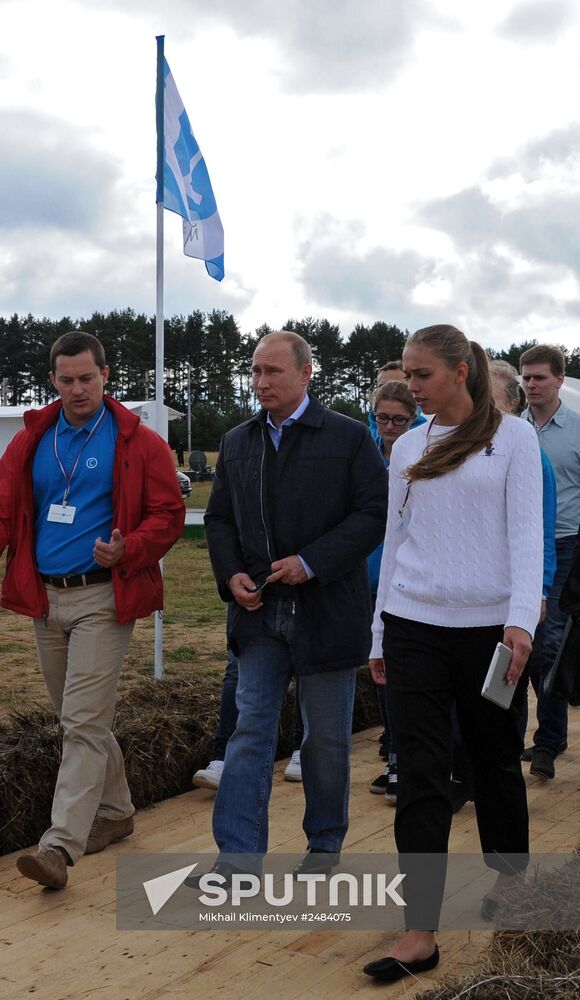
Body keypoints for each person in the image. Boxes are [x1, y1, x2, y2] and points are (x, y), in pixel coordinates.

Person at [364, 324, 543, 984]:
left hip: (493, 635)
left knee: (496, 757)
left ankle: (510, 879)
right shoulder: (408, 444)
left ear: (461, 370)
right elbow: (394, 538)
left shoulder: (514, 440)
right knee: (421, 770)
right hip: (414, 626)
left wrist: (521, 622)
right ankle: (420, 930)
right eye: (406, 375)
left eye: (422, 376)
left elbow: (527, 537)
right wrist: (380, 633)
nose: (410, 388)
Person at [198, 330, 387, 885]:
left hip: (326, 610)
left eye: (272, 372)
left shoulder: (349, 439)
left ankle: (324, 849)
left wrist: (311, 562)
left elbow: (372, 514)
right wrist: (229, 572)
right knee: (250, 730)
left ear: (306, 374)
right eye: (255, 372)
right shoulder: (238, 441)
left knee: (324, 738)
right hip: (257, 613)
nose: (261, 383)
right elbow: (219, 520)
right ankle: (237, 857)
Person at [0, 331, 185, 889]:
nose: (77, 388)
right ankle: (115, 811)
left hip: (104, 596)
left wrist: (129, 547)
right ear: (52, 381)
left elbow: (169, 513)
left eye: (87, 377)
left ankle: (59, 845)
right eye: (66, 379)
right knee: (79, 718)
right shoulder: (33, 439)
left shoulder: (138, 439)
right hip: (44, 597)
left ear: (106, 375)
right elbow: (5, 509)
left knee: (81, 723)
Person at [519, 345, 580, 779]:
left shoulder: (577, 430)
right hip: (518, 546)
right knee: (514, 639)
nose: (531, 384)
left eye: (540, 377)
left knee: (550, 644)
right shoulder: (508, 429)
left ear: (560, 379)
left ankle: (548, 741)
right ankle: (511, 738)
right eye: (526, 377)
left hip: (565, 546)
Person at [366, 380, 422, 801]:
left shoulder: (425, 447)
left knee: (409, 675)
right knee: (381, 669)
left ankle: (410, 758)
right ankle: (396, 754)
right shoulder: (363, 448)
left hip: (409, 574)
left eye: (399, 419)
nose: (389, 426)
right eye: (382, 417)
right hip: (368, 573)